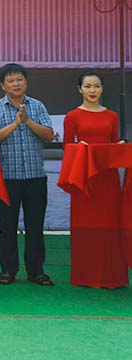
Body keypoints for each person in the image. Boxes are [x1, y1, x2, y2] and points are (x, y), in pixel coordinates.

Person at [0, 63, 55, 286]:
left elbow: (49, 135)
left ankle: (36, 271)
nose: (16, 84)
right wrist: (15, 124)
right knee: (7, 226)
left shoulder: (38, 106)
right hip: (7, 178)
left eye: (19, 79)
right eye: (11, 80)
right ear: (2, 85)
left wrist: (27, 121)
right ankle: (7, 270)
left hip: (35, 177)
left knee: (36, 226)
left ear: (26, 82)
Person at [62, 69, 125, 288]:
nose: (92, 90)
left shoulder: (112, 116)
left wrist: (119, 148)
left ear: (102, 89)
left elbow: (114, 145)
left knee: (109, 225)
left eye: (96, 86)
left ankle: (111, 276)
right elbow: (67, 147)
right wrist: (80, 149)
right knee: (85, 226)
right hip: (85, 179)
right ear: (79, 89)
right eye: (88, 86)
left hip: (108, 179)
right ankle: (85, 275)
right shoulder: (72, 116)